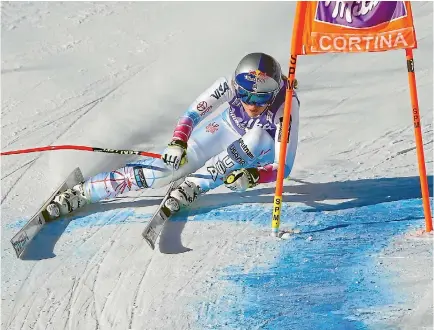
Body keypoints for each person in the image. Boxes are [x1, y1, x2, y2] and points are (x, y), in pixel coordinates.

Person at [46, 52, 300, 218]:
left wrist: (255, 175)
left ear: (274, 91)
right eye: (244, 94)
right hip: (223, 129)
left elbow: (283, 167)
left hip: (257, 151)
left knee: (256, 138)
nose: (252, 104)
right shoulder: (226, 86)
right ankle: (84, 193)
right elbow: (192, 114)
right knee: (161, 172)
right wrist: (178, 142)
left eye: (261, 97)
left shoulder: (286, 108)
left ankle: (195, 185)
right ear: (236, 86)